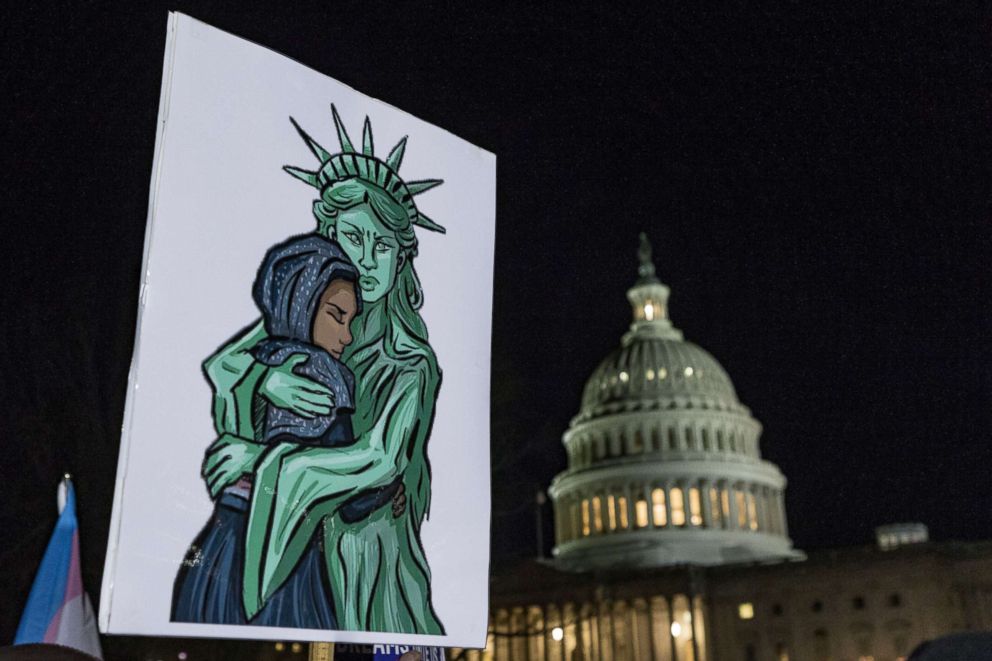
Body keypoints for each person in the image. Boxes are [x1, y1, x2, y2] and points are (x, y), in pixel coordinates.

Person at [200, 106, 446, 634]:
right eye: (353, 238)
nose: (365, 259)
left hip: (367, 560)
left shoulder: (411, 361)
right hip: (303, 556)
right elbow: (225, 365)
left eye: (382, 247)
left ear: (402, 261)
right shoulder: (304, 317)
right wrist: (267, 379)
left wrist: (260, 459)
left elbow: (378, 457)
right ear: (328, 231)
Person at [172, 234, 404, 627]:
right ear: (302, 302)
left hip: (216, 552)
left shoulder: (253, 364)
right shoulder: (326, 375)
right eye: (336, 315)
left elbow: (222, 371)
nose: (346, 337)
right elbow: (337, 483)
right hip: (282, 559)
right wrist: (385, 490)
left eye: (350, 321)